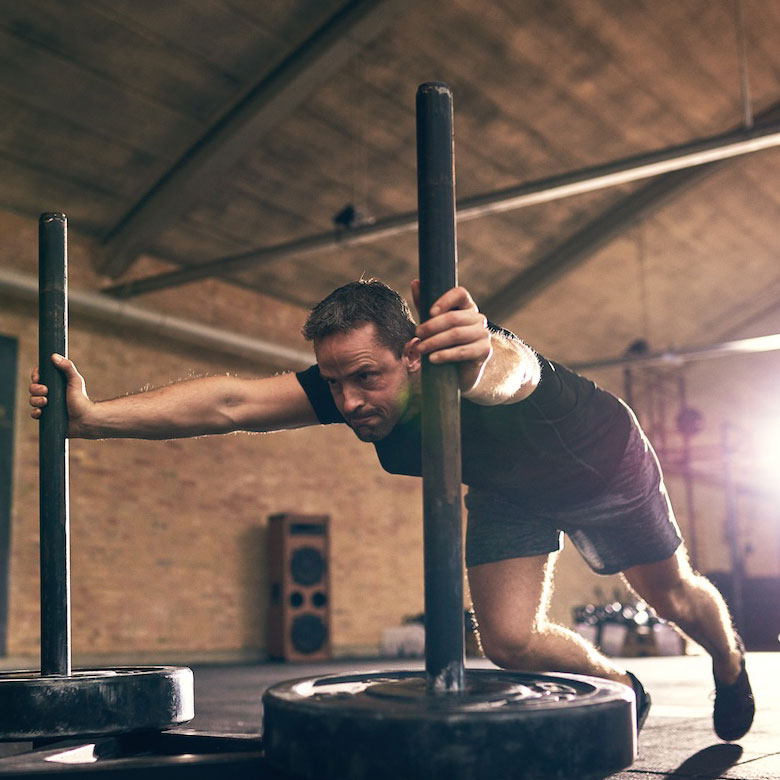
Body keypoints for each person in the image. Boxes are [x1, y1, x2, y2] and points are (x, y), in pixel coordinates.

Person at [29, 278, 754, 739]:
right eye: (336, 381)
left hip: (601, 460)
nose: (348, 402)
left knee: (672, 597)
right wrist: (95, 418)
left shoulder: (465, 360)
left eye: (366, 377)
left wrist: (478, 359)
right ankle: (626, 688)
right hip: (511, 490)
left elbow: (513, 369)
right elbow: (232, 400)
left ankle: (728, 659)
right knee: (507, 640)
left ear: (413, 354)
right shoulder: (350, 386)